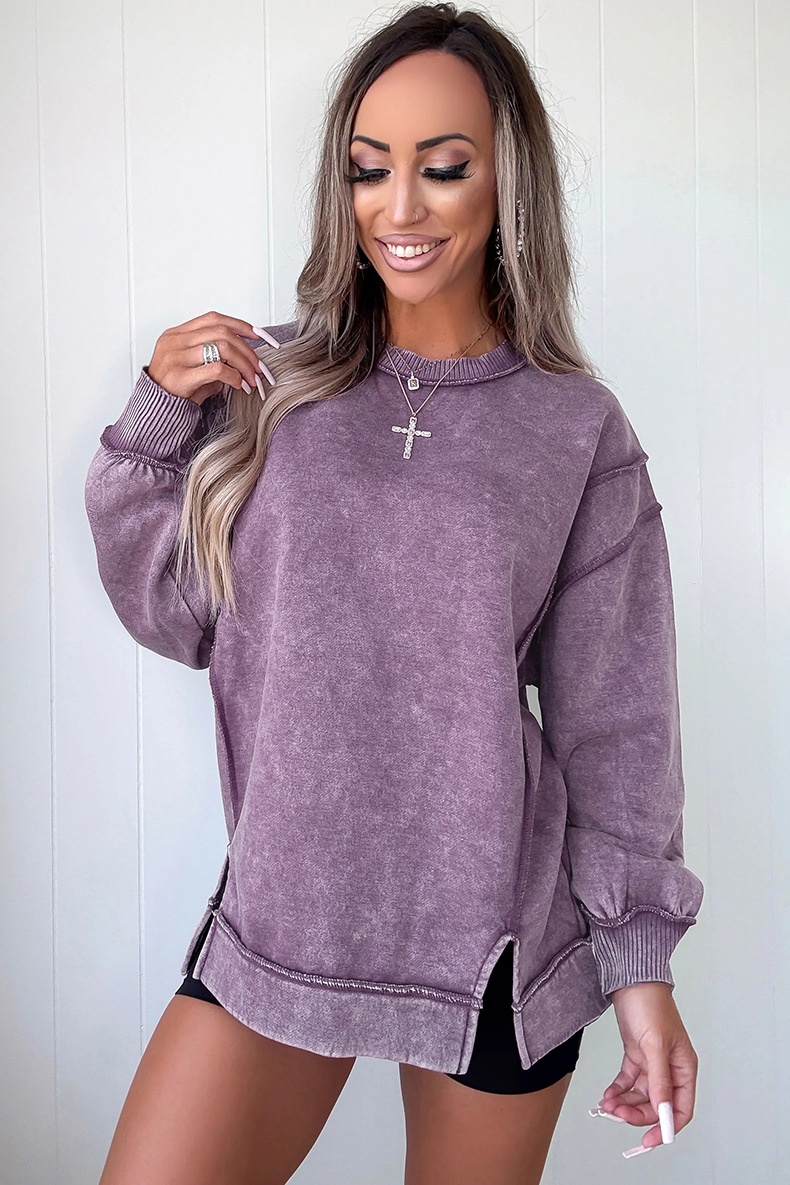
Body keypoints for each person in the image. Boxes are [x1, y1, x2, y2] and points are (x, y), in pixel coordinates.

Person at [84, 4, 704, 1182]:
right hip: (286, 917)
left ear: (506, 181)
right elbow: (178, 617)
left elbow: (616, 724)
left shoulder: (574, 428)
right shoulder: (269, 387)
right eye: (370, 169)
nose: (400, 207)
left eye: (444, 167)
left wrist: (642, 977)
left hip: (495, 944)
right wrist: (156, 427)